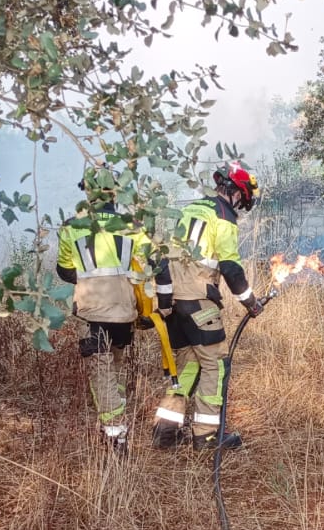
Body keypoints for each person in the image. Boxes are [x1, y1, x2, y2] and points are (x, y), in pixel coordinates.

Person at [151, 160, 265, 451]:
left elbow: (164, 259)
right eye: (242, 198)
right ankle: (206, 435)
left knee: (187, 365)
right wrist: (249, 301)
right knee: (215, 365)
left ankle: (165, 430)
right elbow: (231, 267)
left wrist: (165, 300)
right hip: (199, 302)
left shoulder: (190, 209)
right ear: (237, 192)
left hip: (175, 303)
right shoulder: (224, 217)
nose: (240, 204)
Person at [57, 170, 165, 454]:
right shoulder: (132, 226)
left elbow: (64, 269)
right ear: (115, 192)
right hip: (124, 310)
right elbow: (154, 262)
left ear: (87, 192)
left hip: (91, 311)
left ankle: (115, 434)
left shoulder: (72, 227)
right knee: (114, 367)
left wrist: (87, 279)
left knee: (101, 370)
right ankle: (115, 422)